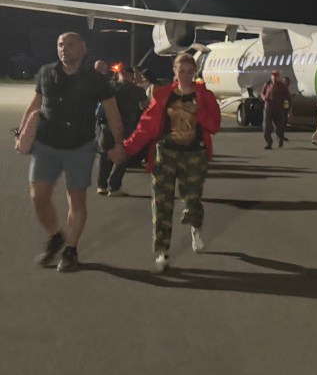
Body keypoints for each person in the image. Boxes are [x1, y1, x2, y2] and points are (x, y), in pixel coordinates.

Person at [14, 32, 125, 272]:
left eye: (70, 45)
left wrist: (118, 143)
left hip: (80, 147)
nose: (64, 49)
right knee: (38, 196)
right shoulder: (46, 72)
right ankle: (55, 236)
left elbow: (112, 112)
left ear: (83, 49)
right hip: (46, 145)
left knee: (76, 199)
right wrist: (21, 133)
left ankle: (71, 250)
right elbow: (34, 105)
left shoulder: (96, 80)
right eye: (60, 44)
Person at [123, 52, 221, 272]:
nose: (185, 75)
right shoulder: (163, 95)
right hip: (166, 154)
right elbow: (146, 125)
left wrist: (199, 113)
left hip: (194, 155)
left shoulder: (205, 96)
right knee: (161, 203)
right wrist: (127, 148)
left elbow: (214, 125)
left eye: (190, 71)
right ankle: (162, 251)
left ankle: (195, 226)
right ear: (174, 71)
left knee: (192, 199)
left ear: (195, 72)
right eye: (181, 71)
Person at [96, 65, 149, 196]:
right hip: (126, 128)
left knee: (105, 155)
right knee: (123, 156)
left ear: (120, 74)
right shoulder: (137, 90)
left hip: (107, 126)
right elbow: (146, 106)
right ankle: (114, 187)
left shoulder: (109, 87)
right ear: (131, 75)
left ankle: (101, 186)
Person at [260, 70, 290, 149]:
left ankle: (280, 138)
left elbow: (288, 98)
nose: (274, 77)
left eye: (276, 76)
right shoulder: (267, 84)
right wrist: (264, 98)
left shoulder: (282, 86)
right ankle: (268, 142)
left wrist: (288, 109)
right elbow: (262, 93)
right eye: (273, 75)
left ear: (279, 77)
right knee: (266, 126)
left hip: (279, 109)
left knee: (279, 127)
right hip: (268, 108)